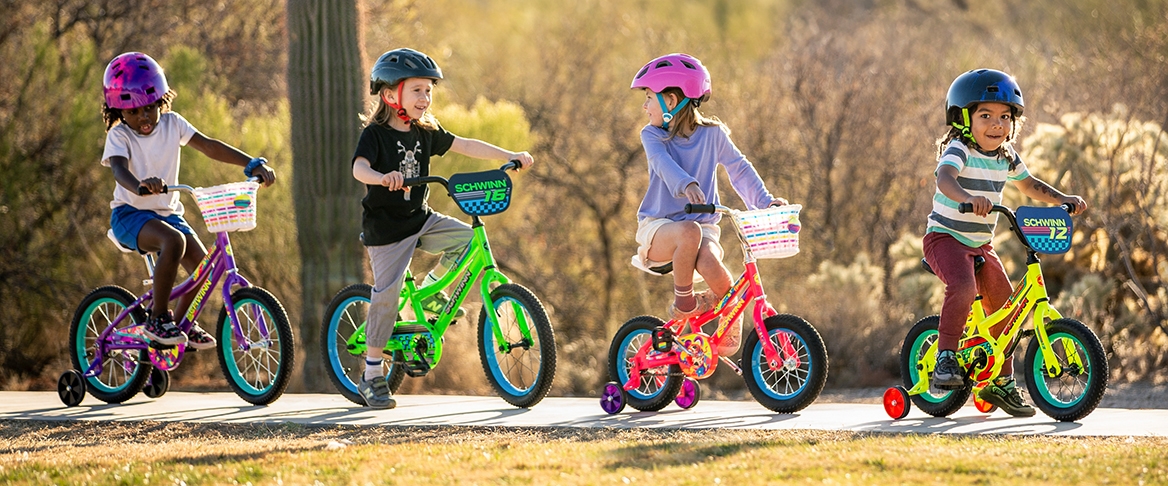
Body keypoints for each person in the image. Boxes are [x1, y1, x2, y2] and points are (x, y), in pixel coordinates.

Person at [353, 48, 534, 409]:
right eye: (417, 90)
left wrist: (508, 154)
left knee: (468, 241)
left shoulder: (425, 132)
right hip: (387, 230)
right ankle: (372, 374)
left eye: (429, 90)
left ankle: (429, 290)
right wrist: (381, 177)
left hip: (420, 218)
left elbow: (465, 144)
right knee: (386, 295)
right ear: (391, 95)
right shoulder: (375, 135)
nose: (426, 97)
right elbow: (359, 168)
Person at [924, 69, 1086, 417]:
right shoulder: (959, 148)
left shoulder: (1006, 155)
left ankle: (1002, 382)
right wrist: (968, 197)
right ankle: (946, 357)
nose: (997, 124)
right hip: (945, 238)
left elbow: (1029, 185)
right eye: (986, 116)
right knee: (963, 287)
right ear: (964, 118)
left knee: (1006, 308)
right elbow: (945, 178)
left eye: (1005, 117)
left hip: (981, 245)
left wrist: (1062, 198)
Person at [101, 52, 276, 349]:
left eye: (148, 108)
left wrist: (252, 163)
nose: (142, 118)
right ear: (118, 112)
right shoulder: (120, 136)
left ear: (161, 100)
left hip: (166, 213)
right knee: (175, 241)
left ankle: (180, 323)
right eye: (132, 113)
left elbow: (209, 146)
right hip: (130, 215)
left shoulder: (173, 124)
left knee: (203, 267)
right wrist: (140, 185)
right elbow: (118, 169)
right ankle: (159, 319)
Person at [629, 53, 786, 355]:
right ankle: (684, 302)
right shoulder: (652, 135)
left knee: (713, 265)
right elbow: (661, 163)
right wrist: (686, 184)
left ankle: (731, 317)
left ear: (671, 102)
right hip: (659, 229)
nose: (645, 105)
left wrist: (765, 204)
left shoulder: (714, 135)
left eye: (649, 97)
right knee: (688, 231)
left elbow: (739, 169)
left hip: (703, 227)